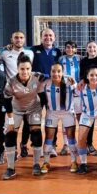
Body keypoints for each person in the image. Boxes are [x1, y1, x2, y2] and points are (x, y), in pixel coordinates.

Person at [2, 54, 46, 180]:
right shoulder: (11, 82)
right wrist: (10, 121)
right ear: (17, 69)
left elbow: (45, 93)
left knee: (36, 133)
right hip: (16, 109)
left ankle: (36, 164)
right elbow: (6, 103)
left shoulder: (38, 77)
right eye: (22, 69)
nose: (25, 71)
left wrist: (40, 114)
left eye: (27, 68)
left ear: (31, 68)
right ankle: (11, 168)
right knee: (10, 134)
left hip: (34, 108)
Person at [39, 62, 78, 174]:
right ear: (50, 72)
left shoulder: (69, 82)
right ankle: (46, 162)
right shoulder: (45, 83)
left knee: (71, 137)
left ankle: (74, 161)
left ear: (63, 72)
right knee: (49, 137)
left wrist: (75, 83)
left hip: (68, 113)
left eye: (59, 71)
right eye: (53, 71)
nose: (56, 74)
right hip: (52, 113)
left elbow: (79, 92)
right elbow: (37, 93)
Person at [31, 28, 62, 157]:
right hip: (37, 90)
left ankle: (52, 145)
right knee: (35, 120)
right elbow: (19, 54)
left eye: (50, 36)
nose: (48, 38)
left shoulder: (58, 52)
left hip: (52, 91)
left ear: (54, 38)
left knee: (52, 119)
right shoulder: (33, 50)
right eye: (45, 36)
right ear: (41, 37)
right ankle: (35, 146)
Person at [79, 40, 97, 155]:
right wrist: (85, 82)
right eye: (89, 47)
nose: (92, 49)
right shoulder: (83, 61)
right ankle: (89, 144)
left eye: (94, 47)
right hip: (89, 90)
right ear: (86, 49)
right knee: (90, 117)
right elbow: (82, 75)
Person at [57, 40, 82, 156]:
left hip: (78, 91)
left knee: (80, 117)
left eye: (72, 47)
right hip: (65, 92)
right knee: (66, 117)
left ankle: (82, 143)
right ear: (65, 48)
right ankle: (66, 144)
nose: (70, 49)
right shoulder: (61, 60)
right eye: (67, 47)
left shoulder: (80, 59)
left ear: (75, 49)